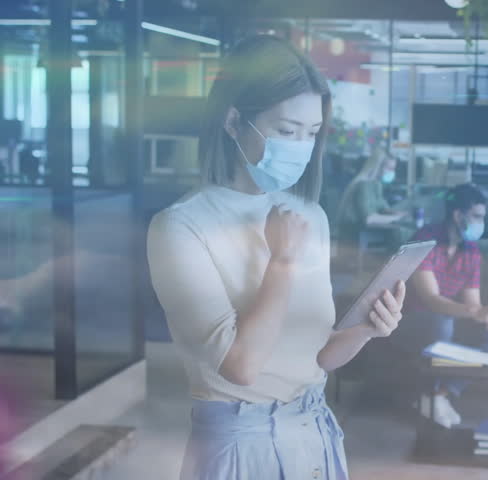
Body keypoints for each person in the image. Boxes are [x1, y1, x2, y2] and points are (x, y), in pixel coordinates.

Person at [147, 35, 406, 480]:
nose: (300, 147)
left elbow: (318, 358)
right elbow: (242, 366)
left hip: (316, 430)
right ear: (233, 121)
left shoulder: (311, 216)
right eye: (286, 131)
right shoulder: (179, 227)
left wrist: (366, 329)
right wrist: (282, 263)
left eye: (310, 133)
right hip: (240, 443)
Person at [393, 183, 488, 428]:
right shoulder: (425, 240)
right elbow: (430, 299)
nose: (481, 223)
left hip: (447, 319)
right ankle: (431, 396)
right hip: (408, 319)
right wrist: (474, 312)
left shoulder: (472, 251)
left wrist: (485, 317)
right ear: (457, 215)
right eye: (477, 216)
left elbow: (473, 303)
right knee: (441, 321)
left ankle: (438, 394)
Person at [336, 147, 407, 244]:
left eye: (393, 169)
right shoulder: (363, 185)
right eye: (389, 168)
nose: (392, 172)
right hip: (354, 242)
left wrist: (400, 214)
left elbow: (382, 207)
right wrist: (395, 218)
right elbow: (369, 218)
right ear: (377, 166)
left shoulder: (376, 185)